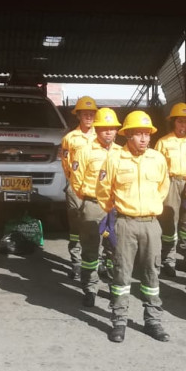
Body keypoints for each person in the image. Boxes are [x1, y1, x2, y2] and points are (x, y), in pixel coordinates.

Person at [98, 111, 170, 343]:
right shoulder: (114, 159)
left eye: (147, 134)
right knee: (121, 272)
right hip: (125, 223)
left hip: (151, 224)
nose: (144, 138)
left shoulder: (157, 159)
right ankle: (119, 321)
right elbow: (103, 191)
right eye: (138, 133)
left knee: (152, 273)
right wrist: (119, 211)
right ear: (127, 135)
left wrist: (149, 207)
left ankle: (153, 321)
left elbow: (163, 188)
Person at [71, 108, 123, 307]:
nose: (108, 132)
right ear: (97, 129)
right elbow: (76, 182)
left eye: (112, 128)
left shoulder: (122, 153)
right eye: (104, 129)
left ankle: (112, 287)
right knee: (91, 251)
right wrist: (89, 200)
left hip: (117, 208)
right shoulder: (85, 151)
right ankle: (90, 288)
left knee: (115, 250)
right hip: (93, 205)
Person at [153, 102, 186, 277]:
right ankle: (169, 260)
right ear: (173, 122)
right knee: (169, 222)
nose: (183, 125)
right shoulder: (163, 142)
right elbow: (157, 167)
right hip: (171, 182)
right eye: (180, 121)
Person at [60, 96, 98, 279]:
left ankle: (97, 265)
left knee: (98, 227)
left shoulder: (102, 135)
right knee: (76, 229)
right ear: (78, 116)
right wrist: (73, 183)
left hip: (98, 190)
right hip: (76, 189)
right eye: (85, 114)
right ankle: (76, 264)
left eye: (91, 114)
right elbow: (65, 164)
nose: (89, 117)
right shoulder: (70, 138)